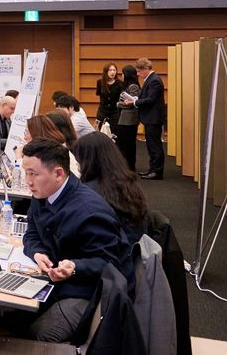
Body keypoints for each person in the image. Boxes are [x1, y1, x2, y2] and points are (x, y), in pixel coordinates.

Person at [16, 138, 131, 342]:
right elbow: (31, 233)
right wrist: (37, 252)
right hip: (56, 280)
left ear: (58, 173)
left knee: (39, 335)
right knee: (6, 312)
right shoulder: (43, 192)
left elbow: (110, 264)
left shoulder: (89, 211)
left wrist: (75, 267)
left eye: (33, 174)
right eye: (26, 173)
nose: (28, 181)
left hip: (87, 291)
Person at [72, 133, 148, 245]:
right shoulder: (128, 182)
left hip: (112, 250)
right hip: (136, 247)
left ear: (87, 161)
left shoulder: (89, 193)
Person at [130, 58, 166, 180]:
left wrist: (134, 102)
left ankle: (157, 171)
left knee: (154, 146)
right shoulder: (151, 79)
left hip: (153, 118)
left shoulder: (154, 80)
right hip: (151, 118)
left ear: (146, 69)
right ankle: (152, 169)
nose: (138, 74)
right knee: (151, 145)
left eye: (139, 71)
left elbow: (151, 99)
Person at [115, 65, 142, 172]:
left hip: (129, 119)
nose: (122, 75)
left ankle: (130, 166)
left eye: (123, 73)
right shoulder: (128, 86)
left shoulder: (133, 86)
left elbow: (133, 103)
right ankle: (126, 166)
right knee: (123, 143)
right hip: (125, 118)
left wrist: (119, 104)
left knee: (127, 144)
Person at [95, 63, 123, 129]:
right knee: (101, 131)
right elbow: (98, 94)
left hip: (115, 112)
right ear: (106, 71)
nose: (112, 72)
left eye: (114, 70)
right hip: (102, 111)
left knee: (114, 131)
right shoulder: (100, 82)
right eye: (110, 70)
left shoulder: (120, 83)